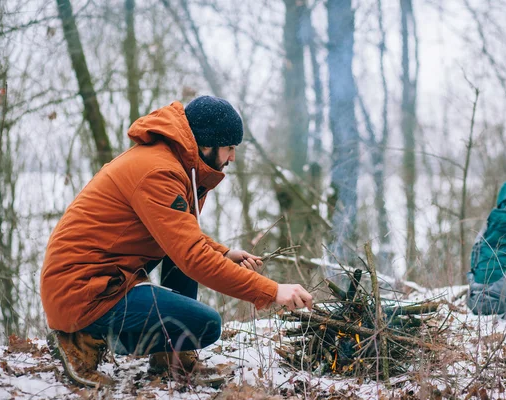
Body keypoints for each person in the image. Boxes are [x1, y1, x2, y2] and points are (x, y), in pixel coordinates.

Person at [40, 96, 313, 388]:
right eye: (230, 148)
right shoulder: (159, 172)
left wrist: (223, 252)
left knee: (179, 258)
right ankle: (79, 339)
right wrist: (272, 292)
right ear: (207, 144)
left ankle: (171, 359)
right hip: (83, 291)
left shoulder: (176, 164)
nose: (232, 157)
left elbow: (180, 233)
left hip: (103, 279)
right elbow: (193, 256)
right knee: (206, 324)